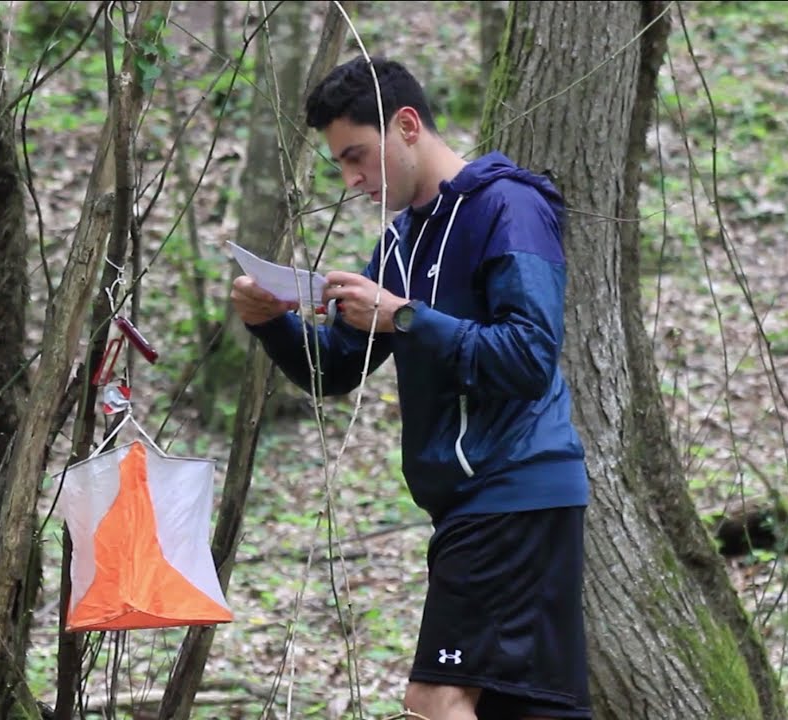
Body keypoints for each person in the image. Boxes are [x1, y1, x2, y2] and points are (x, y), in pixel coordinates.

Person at [231, 55, 591, 720]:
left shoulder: (509, 207)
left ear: (406, 126)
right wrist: (270, 323)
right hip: (478, 504)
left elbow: (529, 356)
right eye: (340, 164)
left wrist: (403, 317)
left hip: (511, 489)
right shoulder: (399, 243)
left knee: (434, 700)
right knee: (524, 709)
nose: (352, 180)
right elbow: (338, 368)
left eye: (357, 156)